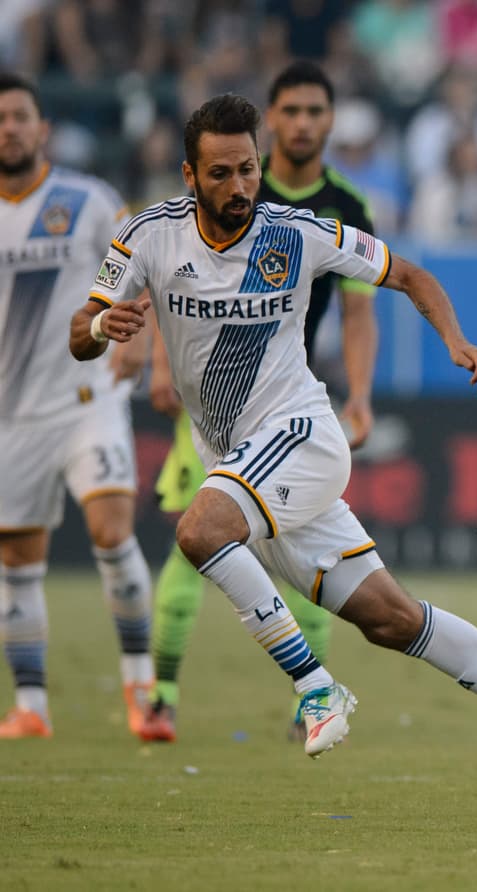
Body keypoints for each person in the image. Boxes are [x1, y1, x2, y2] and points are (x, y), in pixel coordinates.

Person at [69, 93, 477, 805]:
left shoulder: (299, 232)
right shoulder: (147, 236)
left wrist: (457, 341)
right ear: (190, 176)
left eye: (249, 170)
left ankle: (317, 689)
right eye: (221, 174)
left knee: (200, 530)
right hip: (240, 458)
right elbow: (82, 330)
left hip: (301, 435)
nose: (240, 188)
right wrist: (106, 328)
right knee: (392, 619)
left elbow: (410, 275)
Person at [144, 61, 381, 743]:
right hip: (213, 402)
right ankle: (159, 691)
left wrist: (360, 397)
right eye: (292, 111)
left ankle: (307, 698)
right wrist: (161, 364)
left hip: (286, 403)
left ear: (330, 121)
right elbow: (165, 280)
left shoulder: (346, 208)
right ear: (269, 119)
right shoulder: (226, 175)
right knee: (193, 540)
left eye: (316, 111)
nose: (304, 123)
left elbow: (361, 314)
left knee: (304, 551)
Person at [0, 72, 158, 740]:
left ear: (43, 129)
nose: (8, 128)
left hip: (85, 397)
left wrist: (141, 343)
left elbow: (144, 266)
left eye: (19, 117)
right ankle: (32, 708)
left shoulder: (88, 201)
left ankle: (143, 690)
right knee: (16, 561)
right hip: (10, 415)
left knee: (113, 530)